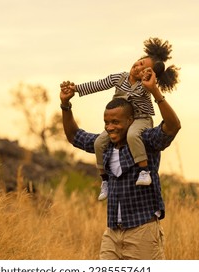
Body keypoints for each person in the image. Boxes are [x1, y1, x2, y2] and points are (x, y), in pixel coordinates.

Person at [59, 68, 181, 259]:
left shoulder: (146, 141)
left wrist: (156, 93)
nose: (110, 127)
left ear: (131, 120)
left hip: (143, 232)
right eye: (106, 122)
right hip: (112, 233)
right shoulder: (105, 145)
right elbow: (74, 136)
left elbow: (173, 126)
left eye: (116, 122)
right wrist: (65, 105)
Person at [61, 38, 179, 201]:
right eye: (139, 63)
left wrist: (153, 88)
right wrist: (72, 94)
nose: (138, 67)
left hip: (140, 120)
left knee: (132, 136)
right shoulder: (120, 78)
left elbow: (173, 126)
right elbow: (99, 85)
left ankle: (144, 171)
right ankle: (105, 180)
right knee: (97, 143)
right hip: (114, 225)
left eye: (144, 68)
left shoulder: (144, 89)